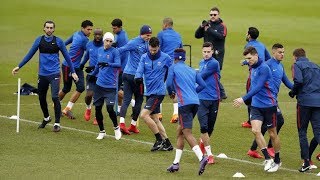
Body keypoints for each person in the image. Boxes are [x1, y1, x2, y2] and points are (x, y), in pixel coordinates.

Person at [11, 20, 79, 132]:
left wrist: (73, 72)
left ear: (54, 29)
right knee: (41, 97)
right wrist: (19, 66)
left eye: (51, 28)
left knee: (54, 97)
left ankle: (57, 123)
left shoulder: (58, 41)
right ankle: (46, 118)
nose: (49, 29)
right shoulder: (39, 40)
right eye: (47, 27)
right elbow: (30, 54)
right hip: (42, 75)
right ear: (44, 29)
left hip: (54, 74)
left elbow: (67, 57)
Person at [233, 46, 281, 172]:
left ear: (256, 55)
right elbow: (248, 62)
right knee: (255, 130)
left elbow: (258, 87)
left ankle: (277, 160)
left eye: (249, 58)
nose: (248, 60)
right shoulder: (251, 64)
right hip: (256, 106)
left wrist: (243, 99)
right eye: (246, 59)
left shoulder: (264, 68)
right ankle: (268, 159)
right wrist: (244, 62)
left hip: (269, 105)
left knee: (272, 133)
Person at [166, 48, 208, 175]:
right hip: (195, 103)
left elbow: (168, 83)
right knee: (180, 132)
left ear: (174, 57)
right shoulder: (191, 70)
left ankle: (202, 157)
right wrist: (193, 93)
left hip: (184, 104)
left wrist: (171, 93)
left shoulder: (173, 68)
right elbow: (203, 85)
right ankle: (175, 163)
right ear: (184, 58)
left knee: (187, 132)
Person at [246, 43, 293, 159]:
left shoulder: (280, 66)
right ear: (273, 52)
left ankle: (254, 149)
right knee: (277, 121)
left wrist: (298, 89)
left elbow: (287, 82)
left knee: (274, 123)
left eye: (283, 52)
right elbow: (256, 79)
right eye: (279, 52)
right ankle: (269, 148)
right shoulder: (267, 65)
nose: (282, 54)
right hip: (265, 101)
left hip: (272, 100)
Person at [135, 37, 173, 151]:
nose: (152, 52)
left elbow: (172, 71)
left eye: (155, 50)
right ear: (148, 47)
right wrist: (137, 77)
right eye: (151, 49)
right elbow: (139, 70)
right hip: (149, 92)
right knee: (155, 119)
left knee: (144, 115)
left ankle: (159, 139)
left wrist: (172, 85)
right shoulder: (144, 57)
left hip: (158, 92)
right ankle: (167, 143)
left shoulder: (166, 58)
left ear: (159, 47)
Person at [288, 48, 320, 172]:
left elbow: (299, 80)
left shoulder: (297, 65)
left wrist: (293, 92)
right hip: (318, 102)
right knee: (318, 131)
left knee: (302, 131)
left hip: (305, 103)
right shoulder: (316, 66)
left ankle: (306, 162)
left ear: (295, 57)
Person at [117, 25, 152, 135]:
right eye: (147, 35)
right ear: (142, 34)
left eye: (150, 35)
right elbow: (121, 50)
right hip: (136, 77)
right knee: (139, 100)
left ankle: (122, 123)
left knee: (127, 99)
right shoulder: (134, 42)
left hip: (127, 74)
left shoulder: (145, 43)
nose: (149, 37)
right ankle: (132, 125)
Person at [59, 20, 93, 119]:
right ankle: (57, 105)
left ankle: (67, 109)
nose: (90, 32)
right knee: (66, 88)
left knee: (80, 87)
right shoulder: (84, 40)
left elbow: (64, 44)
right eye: (88, 29)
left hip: (76, 67)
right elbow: (91, 52)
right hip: (68, 67)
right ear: (82, 28)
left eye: (91, 29)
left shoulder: (76, 34)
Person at [90, 32, 122, 140]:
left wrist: (108, 64)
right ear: (103, 40)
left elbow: (118, 64)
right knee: (98, 109)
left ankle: (116, 128)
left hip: (111, 86)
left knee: (109, 108)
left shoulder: (115, 51)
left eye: (110, 41)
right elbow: (98, 65)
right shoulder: (99, 50)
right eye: (107, 40)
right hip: (99, 85)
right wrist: (92, 74)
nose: (108, 43)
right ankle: (102, 131)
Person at [241, 27, 271, 128]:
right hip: (263, 72)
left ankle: (251, 121)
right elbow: (268, 58)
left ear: (249, 35)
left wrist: (245, 62)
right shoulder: (262, 44)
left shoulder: (248, 46)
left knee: (250, 95)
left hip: (253, 75)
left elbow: (251, 58)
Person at [195, 6, 227, 99]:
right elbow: (197, 35)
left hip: (218, 53)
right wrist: (201, 27)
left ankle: (220, 92)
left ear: (218, 15)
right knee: (209, 73)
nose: (212, 16)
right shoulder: (207, 24)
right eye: (211, 15)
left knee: (216, 73)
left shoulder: (222, 26)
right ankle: (221, 93)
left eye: (214, 15)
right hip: (207, 53)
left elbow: (221, 36)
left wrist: (209, 30)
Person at [197, 42, 221, 164]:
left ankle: (202, 145)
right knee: (204, 127)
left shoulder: (214, 63)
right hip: (201, 99)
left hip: (214, 99)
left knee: (210, 128)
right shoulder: (201, 63)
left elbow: (202, 76)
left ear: (212, 52)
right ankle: (209, 155)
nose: (206, 54)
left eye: (208, 52)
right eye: (204, 52)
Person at [157, 17, 183, 123]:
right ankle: (176, 114)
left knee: (159, 87)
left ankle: (159, 113)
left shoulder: (161, 34)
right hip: (175, 65)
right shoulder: (178, 35)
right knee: (175, 89)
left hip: (164, 64)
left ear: (165, 25)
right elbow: (181, 50)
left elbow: (157, 48)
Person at [80, 28, 103, 125]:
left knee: (98, 97)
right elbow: (86, 56)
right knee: (89, 95)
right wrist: (81, 64)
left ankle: (97, 117)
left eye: (99, 35)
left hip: (101, 75)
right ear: (93, 35)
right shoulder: (89, 44)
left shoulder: (105, 46)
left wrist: (93, 67)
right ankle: (88, 108)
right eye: (96, 34)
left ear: (102, 35)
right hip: (91, 75)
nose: (97, 36)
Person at [110, 18, 131, 114]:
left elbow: (119, 52)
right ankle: (118, 109)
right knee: (119, 89)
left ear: (120, 27)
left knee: (116, 89)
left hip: (121, 67)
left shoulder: (120, 37)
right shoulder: (121, 34)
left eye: (114, 28)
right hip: (123, 66)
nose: (113, 30)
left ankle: (133, 103)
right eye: (112, 28)